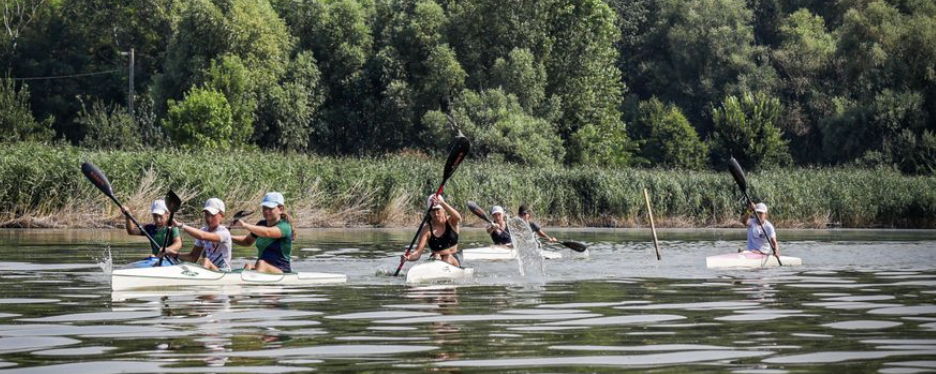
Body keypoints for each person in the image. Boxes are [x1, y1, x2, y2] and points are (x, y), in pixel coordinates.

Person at [233, 192, 294, 274]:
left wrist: (244, 225)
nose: (266, 211)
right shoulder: (261, 224)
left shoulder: (285, 226)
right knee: (248, 266)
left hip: (282, 270)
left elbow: (267, 232)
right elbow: (247, 241)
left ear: (280, 209)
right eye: (264, 208)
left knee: (261, 264)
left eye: (270, 208)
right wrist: (228, 237)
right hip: (261, 268)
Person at [171, 198, 232, 271]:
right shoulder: (203, 230)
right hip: (209, 270)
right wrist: (173, 254)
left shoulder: (224, 232)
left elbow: (202, 236)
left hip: (223, 272)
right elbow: (192, 258)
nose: (209, 218)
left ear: (222, 215)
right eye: (207, 214)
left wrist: (181, 225)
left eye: (212, 215)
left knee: (205, 261)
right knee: (201, 262)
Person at [403, 194, 463, 267]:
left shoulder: (451, 221)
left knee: (447, 257)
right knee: (436, 256)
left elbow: (459, 218)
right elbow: (417, 253)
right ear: (429, 212)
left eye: (438, 210)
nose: (436, 214)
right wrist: (409, 257)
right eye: (433, 210)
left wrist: (442, 203)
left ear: (443, 209)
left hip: (454, 258)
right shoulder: (426, 230)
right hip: (436, 259)